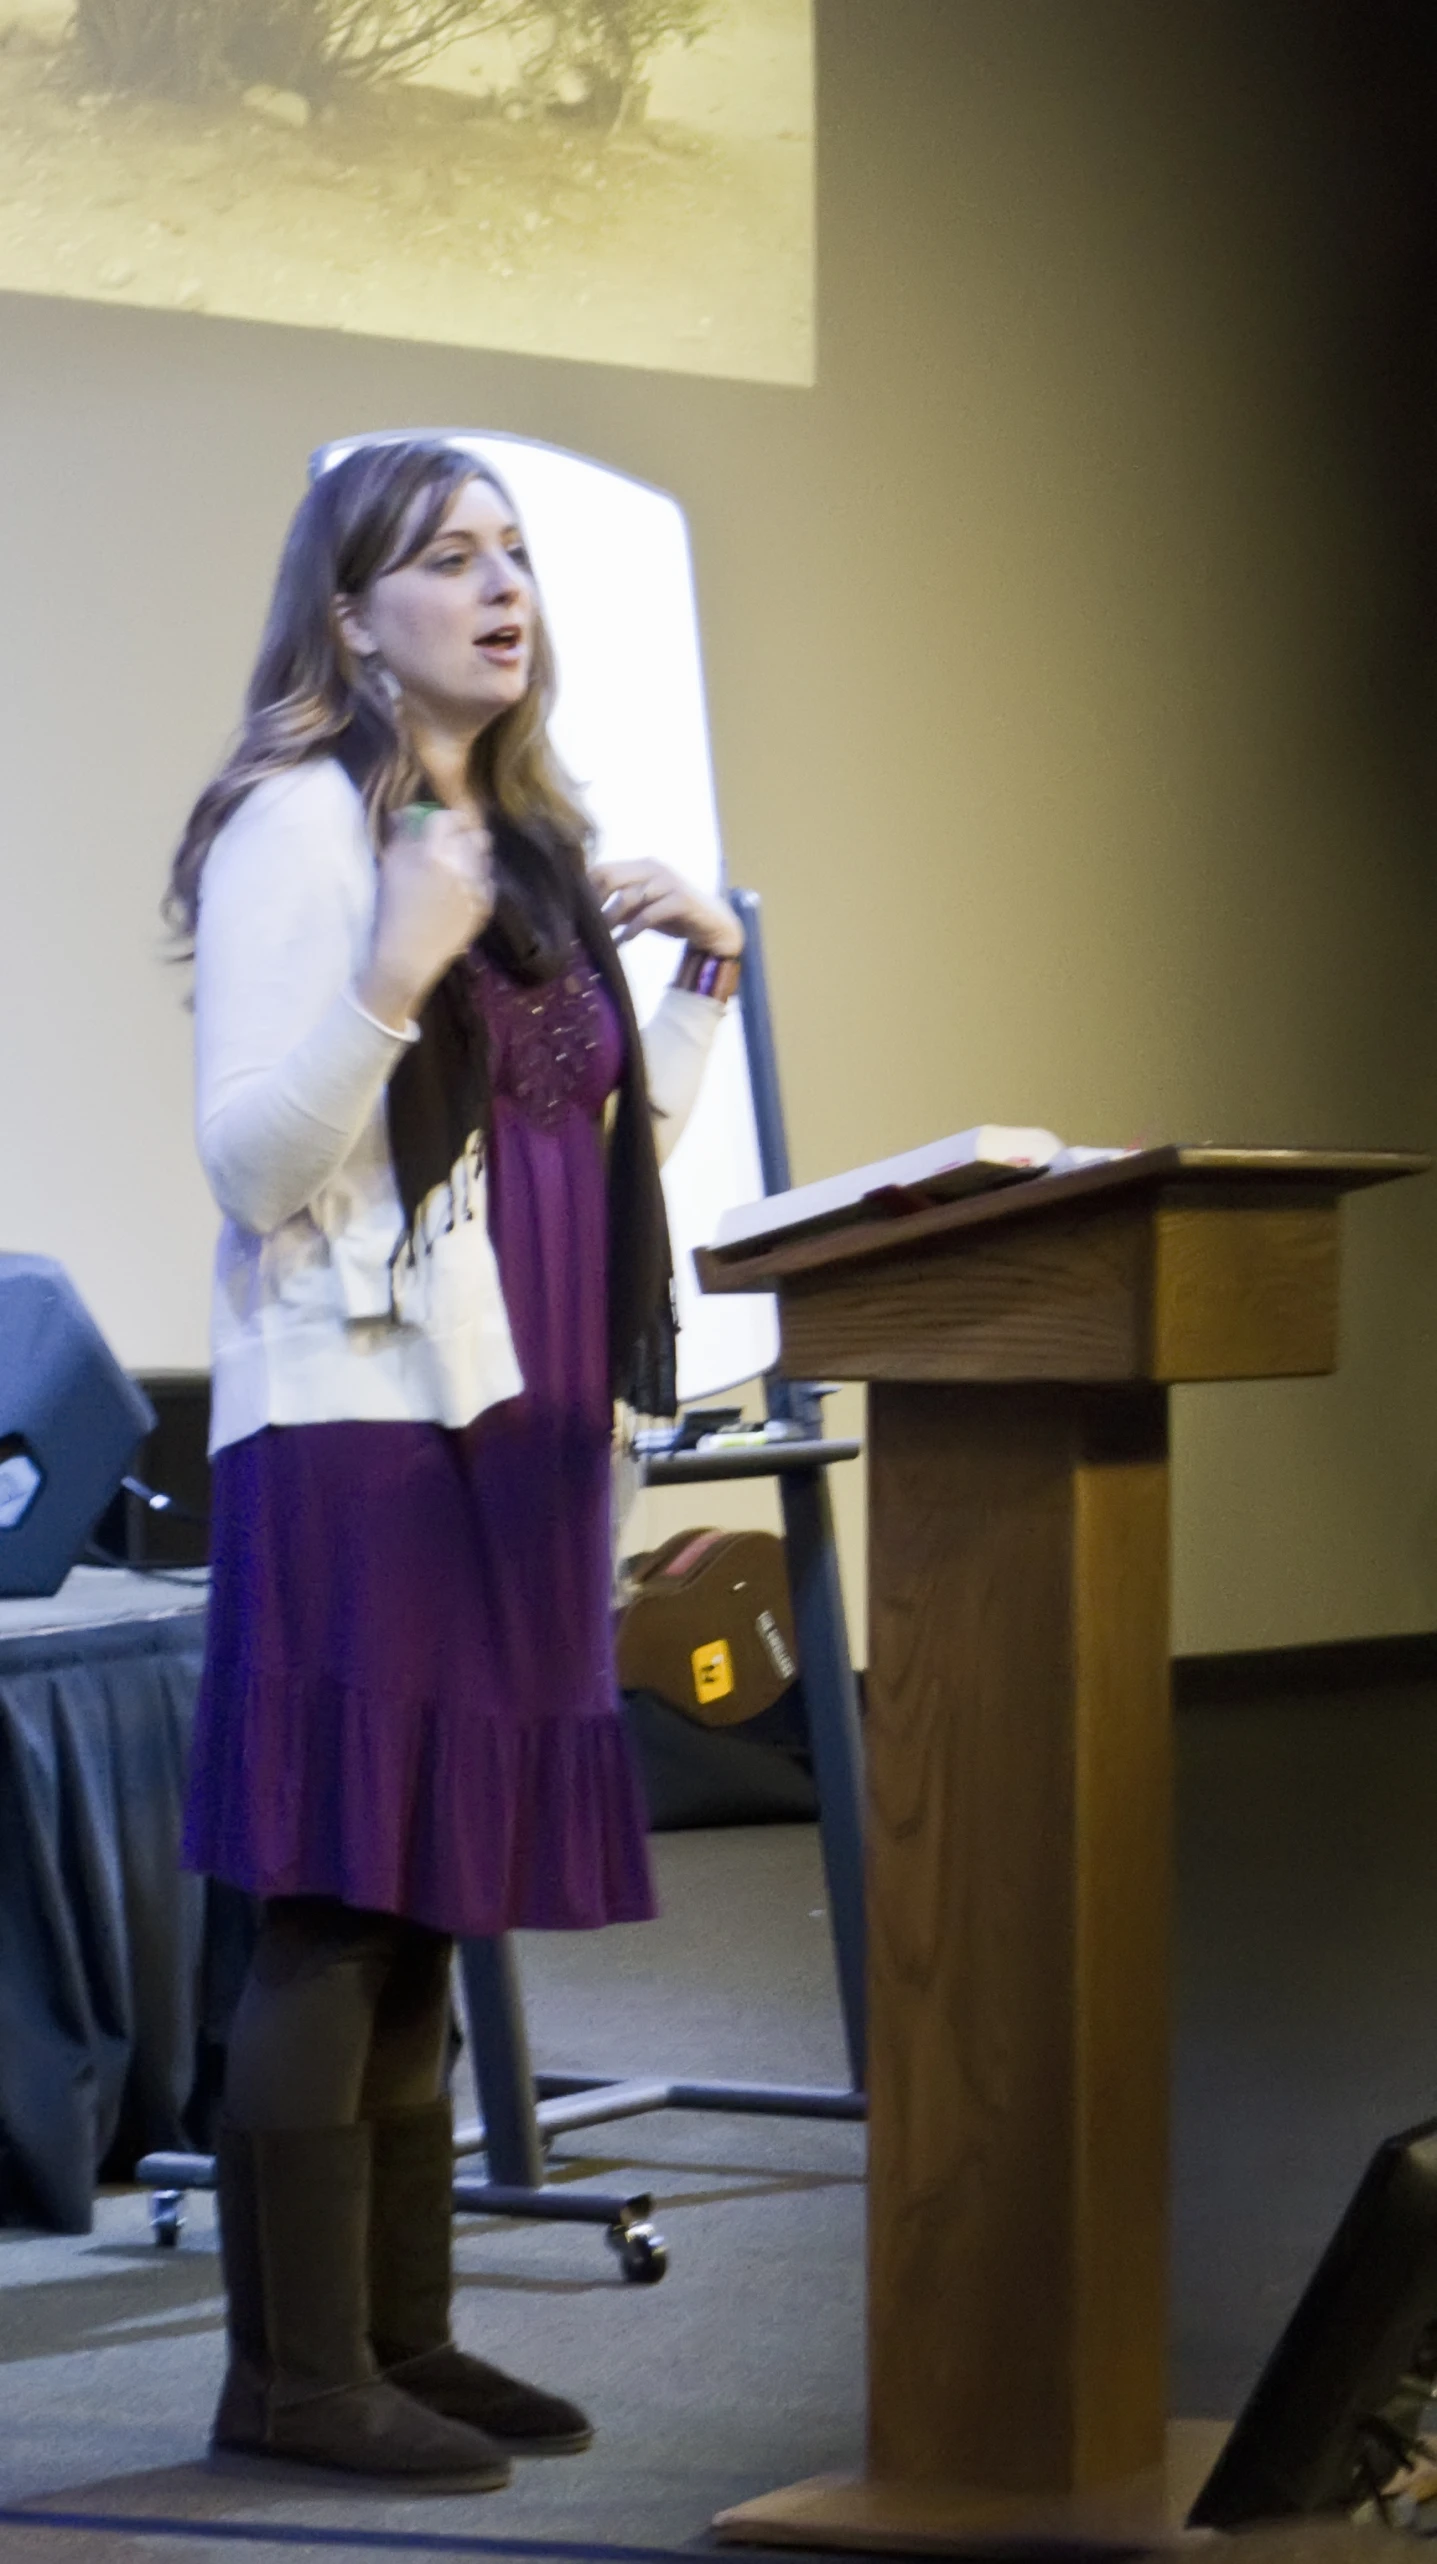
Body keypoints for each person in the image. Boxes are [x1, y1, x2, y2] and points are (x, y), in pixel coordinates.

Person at [165, 435, 744, 2489]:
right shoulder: (300, 826)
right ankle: (291, 2374)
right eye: (446, 558)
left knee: (424, 1892)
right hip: (355, 1425)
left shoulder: (527, 838)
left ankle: (395, 2332)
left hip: (515, 1421)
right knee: (339, 1893)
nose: (502, 586)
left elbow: (585, 1161)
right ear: (350, 613)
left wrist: (688, 993)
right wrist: (396, 961)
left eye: (515, 554)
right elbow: (255, 1155)